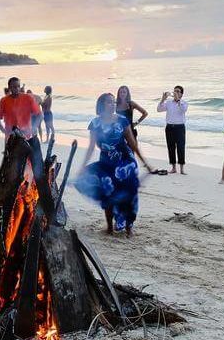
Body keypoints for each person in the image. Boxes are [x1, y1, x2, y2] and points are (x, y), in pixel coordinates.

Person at [76, 93, 155, 236]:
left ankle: (129, 228)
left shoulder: (122, 121)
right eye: (108, 102)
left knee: (128, 195)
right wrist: (83, 166)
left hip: (125, 163)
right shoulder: (95, 123)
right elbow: (91, 147)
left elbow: (133, 144)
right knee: (107, 194)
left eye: (113, 102)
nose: (112, 105)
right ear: (101, 105)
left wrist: (145, 163)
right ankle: (110, 227)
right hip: (106, 162)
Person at [158, 85, 187, 174]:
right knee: (171, 147)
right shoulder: (169, 103)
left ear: (181, 94)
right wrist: (163, 99)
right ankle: (173, 168)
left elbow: (183, 110)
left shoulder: (184, 103)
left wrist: (178, 100)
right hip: (169, 127)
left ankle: (182, 169)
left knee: (180, 147)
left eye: (178, 91)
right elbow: (159, 109)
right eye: (175, 91)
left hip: (180, 127)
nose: (175, 93)